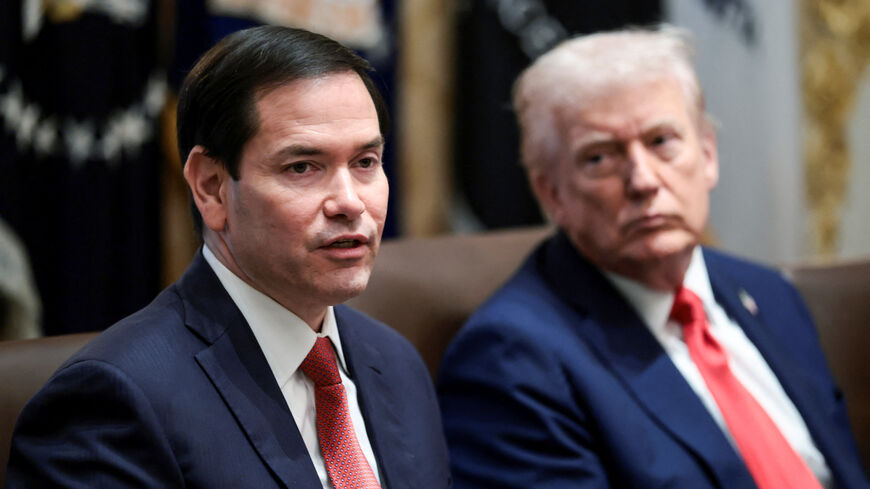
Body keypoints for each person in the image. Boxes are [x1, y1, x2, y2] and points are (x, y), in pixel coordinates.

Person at [6, 26, 451, 488]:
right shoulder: (109, 405)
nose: (351, 202)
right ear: (211, 188)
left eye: (365, 163)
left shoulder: (397, 363)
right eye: (302, 167)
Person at [438, 26, 870, 489]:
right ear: (552, 194)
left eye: (662, 141)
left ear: (707, 155)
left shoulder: (771, 294)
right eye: (600, 158)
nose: (643, 180)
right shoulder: (512, 362)